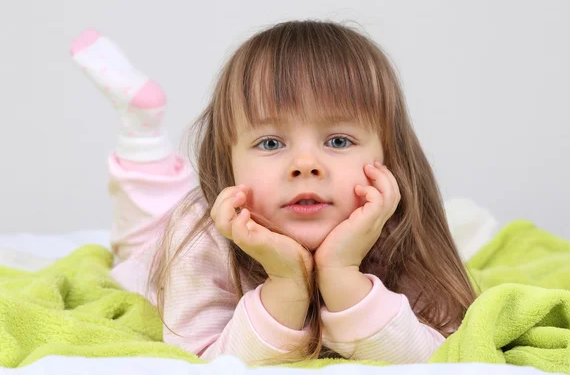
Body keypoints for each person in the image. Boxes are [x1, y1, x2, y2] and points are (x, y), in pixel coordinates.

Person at [70, 20, 476, 365]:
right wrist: (285, 281)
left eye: (337, 141)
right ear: (226, 162)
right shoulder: (198, 236)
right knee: (143, 231)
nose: (304, 164)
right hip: (162, 247)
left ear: (390, 157)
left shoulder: (398, 228)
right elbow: (209, 360)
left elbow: (433, 356)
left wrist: (341, 273)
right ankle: (142, 134)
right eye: (269, 143)